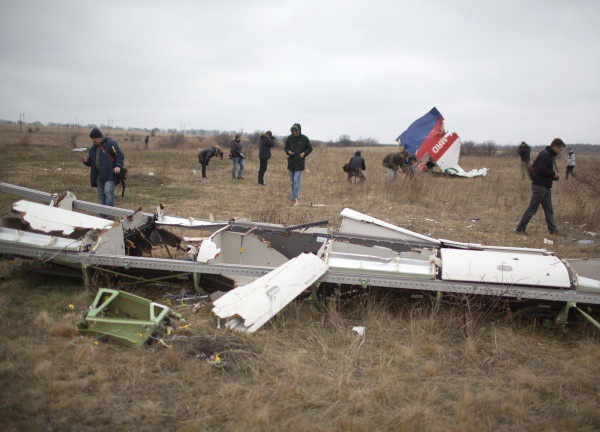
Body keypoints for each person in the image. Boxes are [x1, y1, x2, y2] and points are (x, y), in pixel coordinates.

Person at [516, 138, 566, 235]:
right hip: (540, 187)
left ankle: (553, 231)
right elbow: (541, 170)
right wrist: (553, 174)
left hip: (545, 187)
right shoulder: (546, 155)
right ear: (555, 146)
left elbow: (542, 170)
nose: (560, 151)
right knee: (532, 209)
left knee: (549, 210)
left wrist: (553, 176)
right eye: (560, 149)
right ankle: (520, 229)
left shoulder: (548, 154)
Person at [81, 128, 124, 212]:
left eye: (95, 139)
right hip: (98, 175)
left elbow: (120, 156)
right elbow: (91, 162)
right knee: (101, 196)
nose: (93, 141)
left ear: (99, 137)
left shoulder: (111, 143)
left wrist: (118, 166)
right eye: (92, 139)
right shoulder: (93, 148)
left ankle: (110, 214)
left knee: (108, 192)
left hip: (110, 174)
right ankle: (102, 216)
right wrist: (86, 161)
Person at [284, 123, 312, 205]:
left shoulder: (304, 138)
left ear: (298, 130)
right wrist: (288, 151)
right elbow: (286, 148)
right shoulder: (289, 138)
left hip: (299, 162)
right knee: (292, 181)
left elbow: (310, 148)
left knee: (296, 180)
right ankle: (294, 196)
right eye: (292, 131)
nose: (294, 132)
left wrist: (304, 153)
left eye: (295, 131)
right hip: (291, 162)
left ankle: (294, 198)